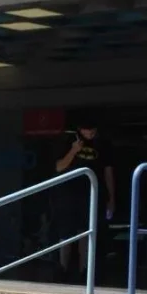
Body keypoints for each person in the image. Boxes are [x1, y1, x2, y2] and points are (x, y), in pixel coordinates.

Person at [53, 115, 116, 282]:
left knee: (86, 233)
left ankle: (84, 271)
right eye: (87, 130)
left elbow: (108, 172)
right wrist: (74, 150)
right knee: (66, 233)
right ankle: (62, 269)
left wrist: (111, 198)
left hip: (92, 194)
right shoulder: (69, 141)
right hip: (68, 194)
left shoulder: (103, 144)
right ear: (80, 130)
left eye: (93, 130)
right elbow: (59, 167)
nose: (91, 133)